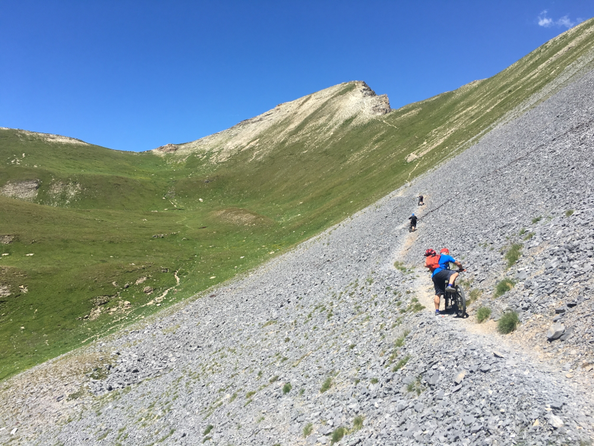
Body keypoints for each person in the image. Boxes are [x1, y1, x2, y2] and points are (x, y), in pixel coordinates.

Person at [425, 248, 464, 315]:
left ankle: (437, 310)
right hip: (442, 272)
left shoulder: (436, 257)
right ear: (447, 252)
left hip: (434, 275)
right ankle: (449, 285)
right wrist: (461, 268)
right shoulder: (446, 256)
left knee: (438, 293)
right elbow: (457, 263)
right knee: (455, 273)